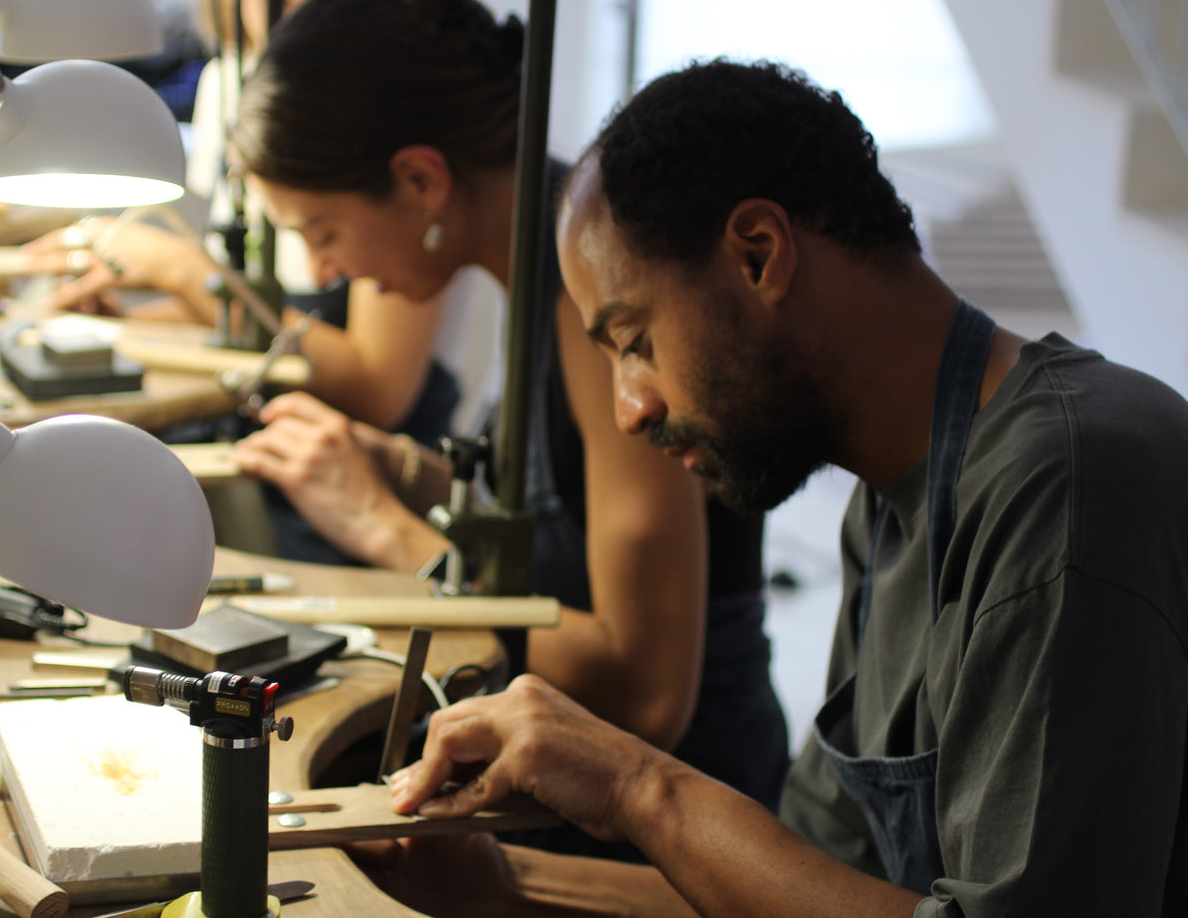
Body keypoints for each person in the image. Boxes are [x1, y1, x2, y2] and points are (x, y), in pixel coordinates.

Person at [373, 58, 1188, 915]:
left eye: (634, 338)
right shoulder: (891, 500)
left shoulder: (1071, 482)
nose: (628, 408)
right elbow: (803, 882)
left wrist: (639, 786)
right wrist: (506, 887)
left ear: (757, 254)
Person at [226, 0, 791, 856]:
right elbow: (559, 512)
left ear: (418, 180)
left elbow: (644, 690)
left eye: (321, 228)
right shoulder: (537, 267)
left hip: (675, 834)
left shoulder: (591, 301)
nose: (322, 267)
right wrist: (399, 466)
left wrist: (386, 527)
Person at [20, 0, 462, 445]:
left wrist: (182, 270)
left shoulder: (405, 120)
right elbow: (236, 321)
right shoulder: (228, 84)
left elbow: (378, 391)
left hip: (359, 458)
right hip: (252, 431)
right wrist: (124, 327)